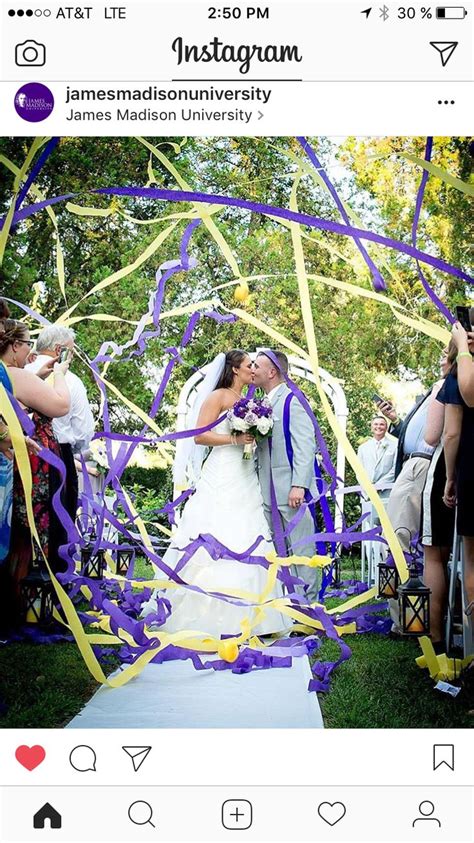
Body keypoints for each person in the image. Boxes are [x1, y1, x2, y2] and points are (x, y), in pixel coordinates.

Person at [141, 350, 289, 638]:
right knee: (213, 530)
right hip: (221, 472)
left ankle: (256, 616)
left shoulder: (249, 402)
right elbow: (199, 435)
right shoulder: (218, 396)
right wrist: (234, 438)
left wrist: (254, 435)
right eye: (249, 365)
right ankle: (202, 612)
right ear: (235, 369)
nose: (253, 369)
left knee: (249, 531)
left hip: (245, 475)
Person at [0, 299, 70, 625]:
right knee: (27, 531)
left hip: (16, 455)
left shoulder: (11, 373)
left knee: (14, 530)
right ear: (13, 346)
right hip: (29, 461)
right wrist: (61, 375)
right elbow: (60, 406)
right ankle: (18, 606)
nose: (29, 350)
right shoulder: (12, 373)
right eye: (26, 343)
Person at [252, 349, 320, 603]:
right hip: (265, 491)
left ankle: (309, 605)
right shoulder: (262, 404)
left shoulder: (293, 400)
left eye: (257, 366)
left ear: (272, 372)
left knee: (301, 549)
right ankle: (285, 602)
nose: (252, 369)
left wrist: (299, 485)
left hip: (290, 492)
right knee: (276, 552)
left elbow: (305, 444)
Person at [26, 325, 94, 524]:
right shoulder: (71, 381)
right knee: (59, 526)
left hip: (16, 452)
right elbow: (83, 431)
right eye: (70, 352)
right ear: (59, 350)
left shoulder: (19, 373)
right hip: (58, 458)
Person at [439, 321, 474, 625]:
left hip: (472, 468)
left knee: (472, 561)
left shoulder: (456, 380)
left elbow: (450, 435)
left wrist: (450, 478)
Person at [421, 345, 456, 649]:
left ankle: (435, 635)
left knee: (434, 553)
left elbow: (434, 436)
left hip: (448, 471)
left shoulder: (446, 385)